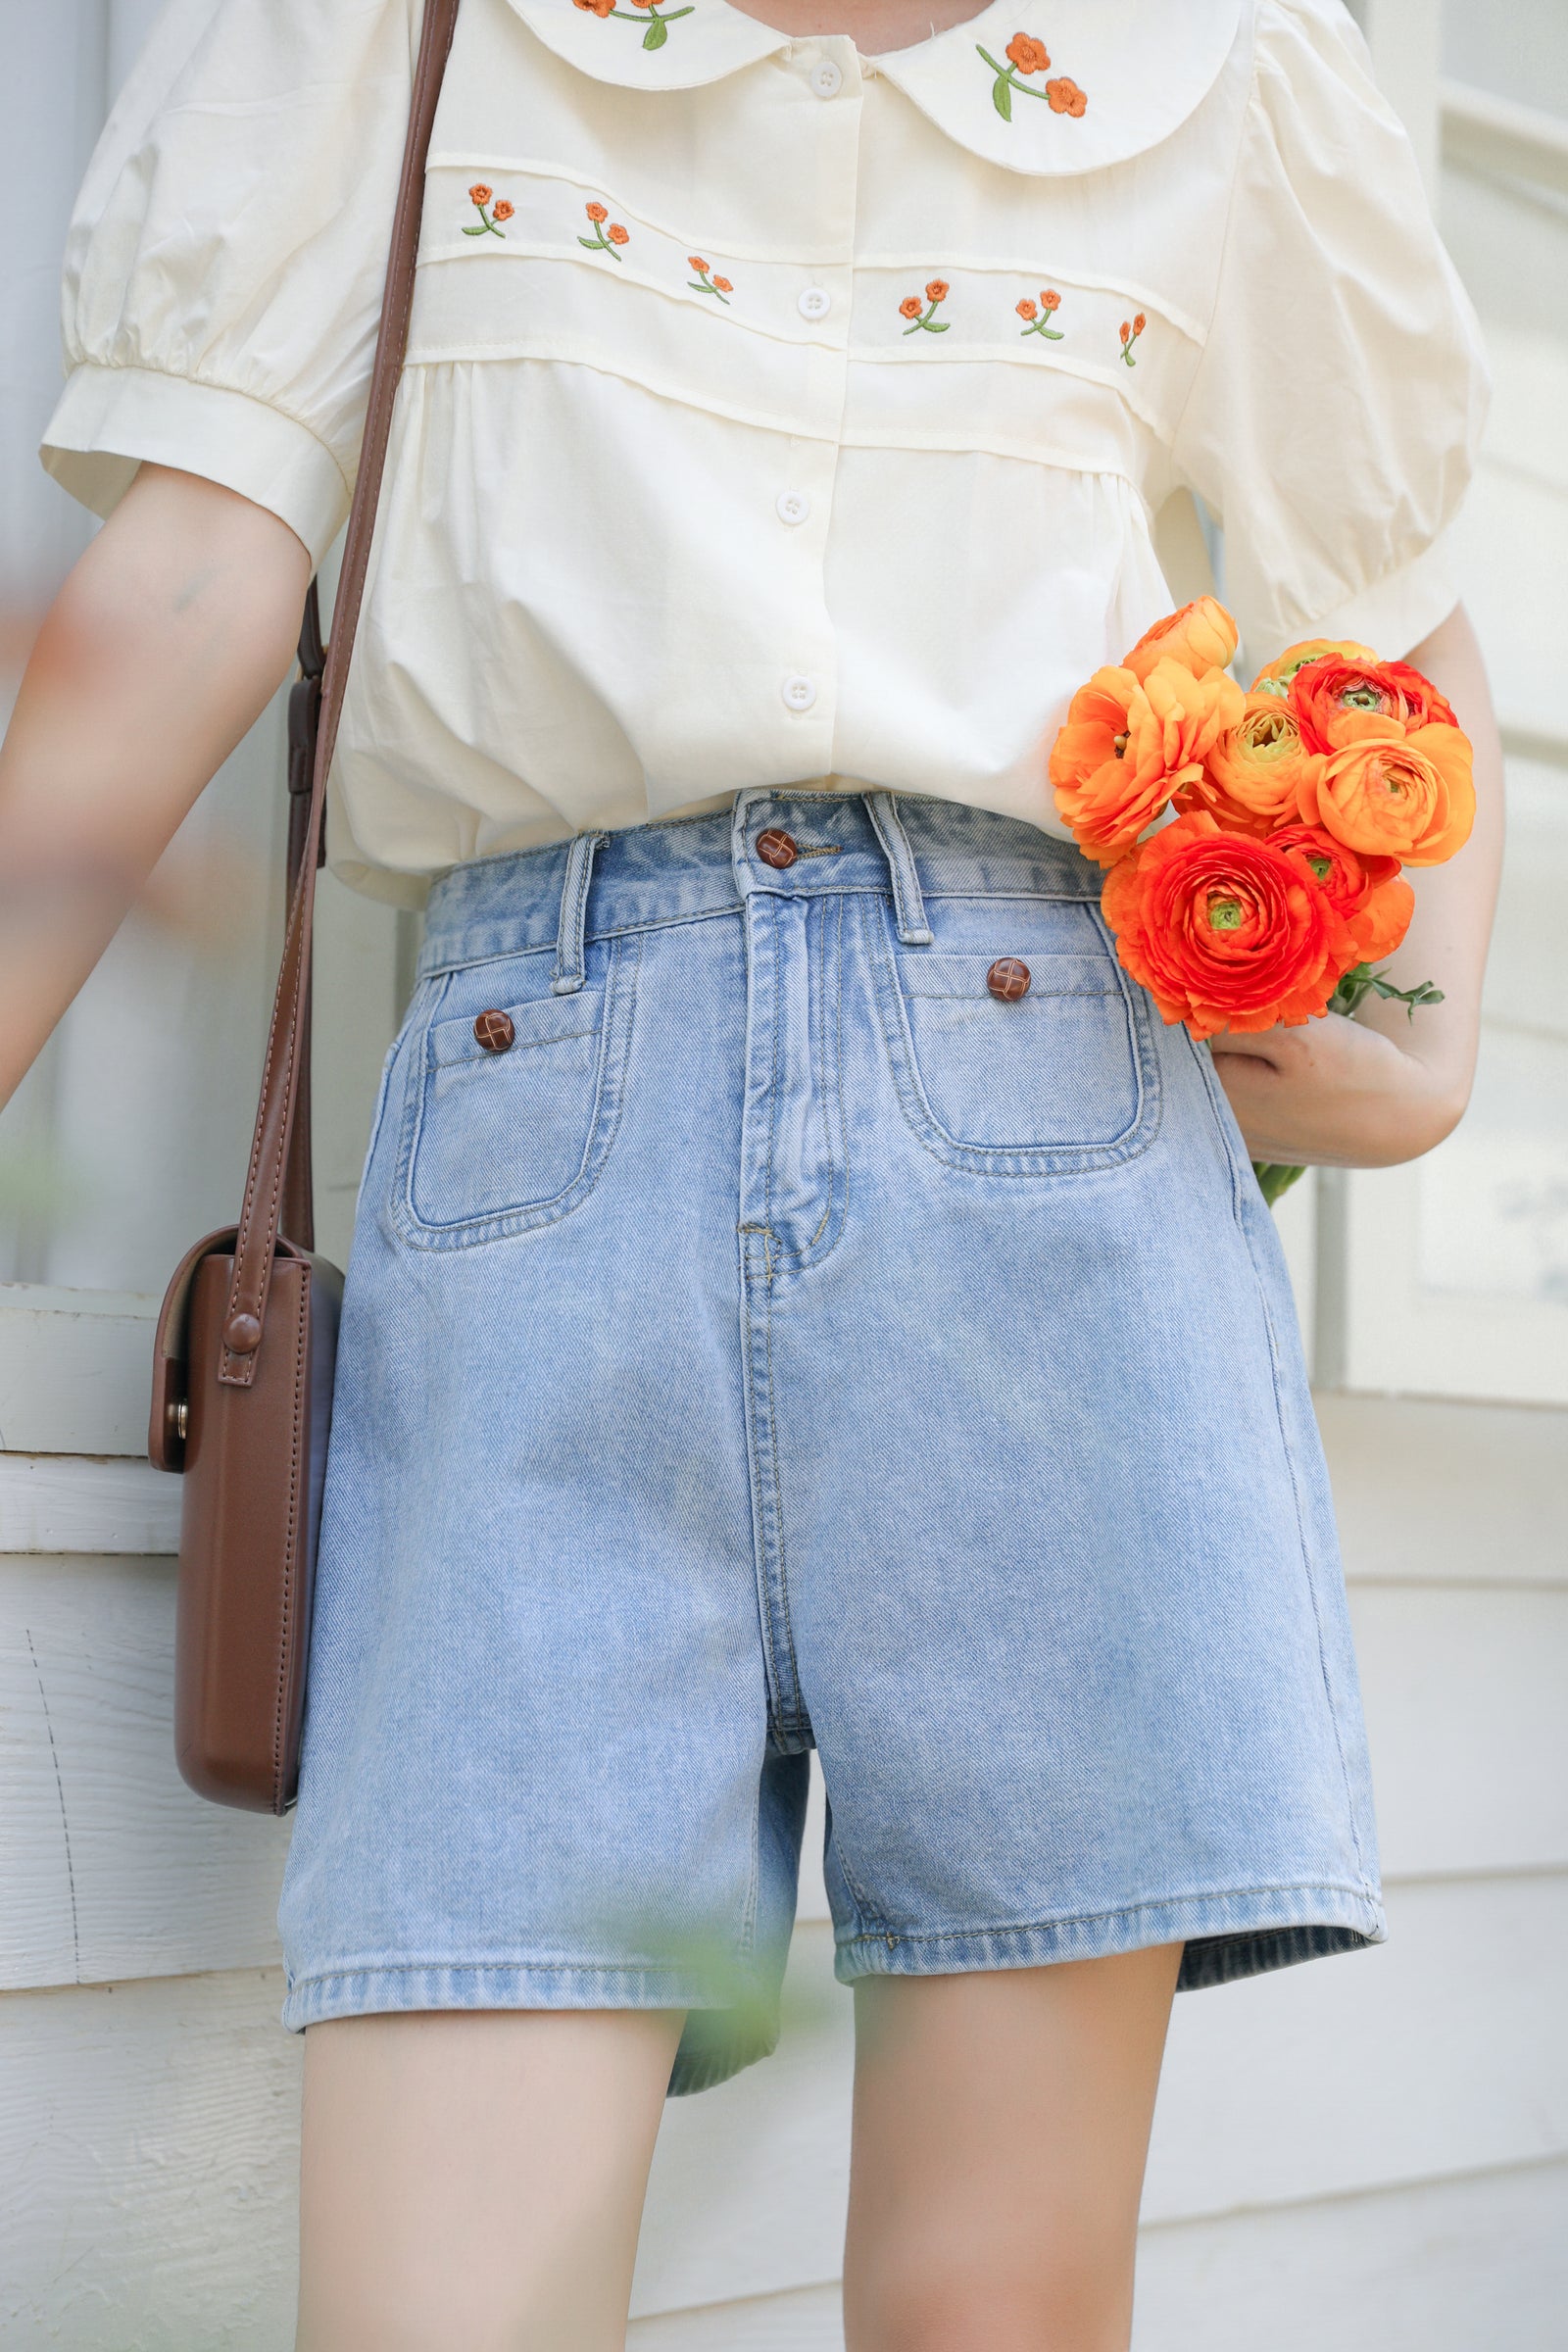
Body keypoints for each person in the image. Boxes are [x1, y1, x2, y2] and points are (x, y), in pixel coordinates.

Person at [3, 0, 1499, 2343]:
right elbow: (184, 588)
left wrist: (1409, 1054)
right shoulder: (385, 34)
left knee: (982, 2313)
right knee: (436, 2314)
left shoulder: (1212, 59)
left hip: (1045, 1149)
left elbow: (1389, 616)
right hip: (540, 1133)